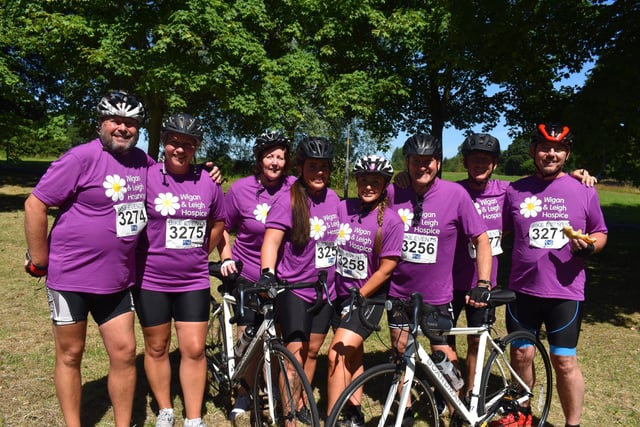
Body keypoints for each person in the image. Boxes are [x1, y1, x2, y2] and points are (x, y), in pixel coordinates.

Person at [23, 90, 152, 427]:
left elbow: (173, 180)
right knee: (70, 354)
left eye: (130, 123)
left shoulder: (143, 162)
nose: (123, 128)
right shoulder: (80, 158)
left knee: (124, 354)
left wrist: (206, 172)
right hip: (70, 279)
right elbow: (35, 204)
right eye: (116, 121)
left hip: (117, 279)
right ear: (100, 124)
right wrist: (39, 259)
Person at [450, 133, 597, 396]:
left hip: (484, 281)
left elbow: (546, 184)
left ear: (495, 164)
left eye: (486, 160)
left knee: (476, 341)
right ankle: (448, 398)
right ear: (464, 162)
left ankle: (471, 396)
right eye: (474, 159)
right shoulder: (453, 191)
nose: (480, 165)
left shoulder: (509, 190)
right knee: (446, 340)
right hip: (451, 278)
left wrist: (576, 174)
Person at [499, 123, 607, 427]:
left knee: (564, 361)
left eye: (558, 148)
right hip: (522, 290)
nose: (551, 153)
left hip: (565, 292)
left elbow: (600, 232)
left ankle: (572, 423)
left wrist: (588, 249)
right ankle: (522, 415)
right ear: (534, 151)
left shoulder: (583, 189)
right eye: (545, 147)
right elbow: (499, 230)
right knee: (521, 356)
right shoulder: (515, 189)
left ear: (567, 153)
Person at [385, 133, 493, 418]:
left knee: (443, 355)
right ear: (407, 163)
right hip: (399, 291)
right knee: (400, 351)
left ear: (438, 162)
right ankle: (405, 411)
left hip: (437, 293)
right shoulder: (394, 193)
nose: (423, 167)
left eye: (428, 161)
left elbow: (482, 239)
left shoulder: (455, 195)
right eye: (416, 161)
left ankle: (455, 402)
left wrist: (483, 282)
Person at [134, 113, 225, 427]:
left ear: (196, 147)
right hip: (151, 278)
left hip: (193, 278)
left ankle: (194, 417)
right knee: (157, 346)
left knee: (195, 349)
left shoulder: (208, 181)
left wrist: (203, 249)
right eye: (174, 141)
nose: (180, 149)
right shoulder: (146, 176)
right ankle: (165, 410)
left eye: (188, 144)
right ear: (164, 141)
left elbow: (219, 220)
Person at [259, 136, 341, 422]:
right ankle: (290, 416)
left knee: (312, 352)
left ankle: (302, 403)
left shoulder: (333, 198)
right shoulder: (288, 199)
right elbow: (270, 241)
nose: (319, 172)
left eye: (324, 167)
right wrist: (268, 275)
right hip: (294, 289)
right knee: (294, 357)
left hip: (324, 290)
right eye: (312, 166)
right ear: (302, 167)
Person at [216, 130, 296, 420]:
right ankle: (244, 391)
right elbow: (222, 224)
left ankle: (275, 387)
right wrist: (226, 256)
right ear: (259, 158)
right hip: (249, 271)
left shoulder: (294, 187)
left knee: (279, 335)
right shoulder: (240, 190)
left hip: (284, 274)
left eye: (280, 157)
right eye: (269, 156)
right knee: (248, 335)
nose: (275, 162)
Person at [325, 155, 404, 422]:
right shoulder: (343, 207)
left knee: (336, 353)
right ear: (357, 181)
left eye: (375, 181)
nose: (369, 186)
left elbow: (387, 268)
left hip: (368, 298)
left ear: (384, 185)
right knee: (352, 354)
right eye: (364, 180)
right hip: (341, 294)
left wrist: (361, 295)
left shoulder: (391, 221)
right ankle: (354, 411)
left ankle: (331, 418)